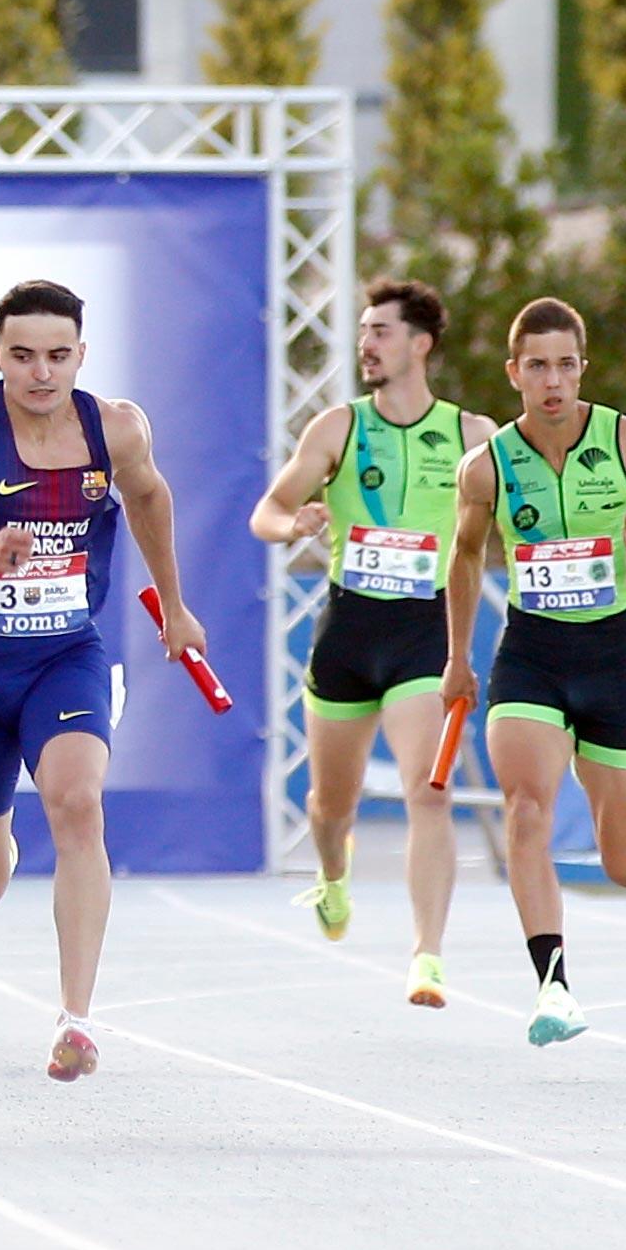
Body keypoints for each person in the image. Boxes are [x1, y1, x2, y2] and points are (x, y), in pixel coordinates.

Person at [0, 279, 216, 1081]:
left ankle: (76, 1020)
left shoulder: (116, 428)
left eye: (58, 356)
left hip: (67, 653)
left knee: (77, 803)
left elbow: (149, 500)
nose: (41, 373)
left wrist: (174, 605)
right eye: (23, 356)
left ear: (82, 355)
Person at [439, 298, 626, 1050]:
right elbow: (463, 558)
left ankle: (595, 767)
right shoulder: (485, 466)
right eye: (535, 366)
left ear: (581, 369)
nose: (550, 381)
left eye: (563, 365)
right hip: (531, 656)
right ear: (512, 374)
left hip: (611, 659)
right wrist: (457, 659)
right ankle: (552, 984)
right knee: (525, 807)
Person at [252, 277, 477, 1007]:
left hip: (424, 633)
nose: (365, 345)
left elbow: (529, 506)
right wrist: (296, 527)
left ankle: (427, 957)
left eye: (379, 331)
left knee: (427, 792)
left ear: (420, 344)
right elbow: (268, 510)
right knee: (328, 805)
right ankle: (332, 876)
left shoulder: (472, 436)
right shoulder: (338, 428)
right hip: (348, 632)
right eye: (362, 332)